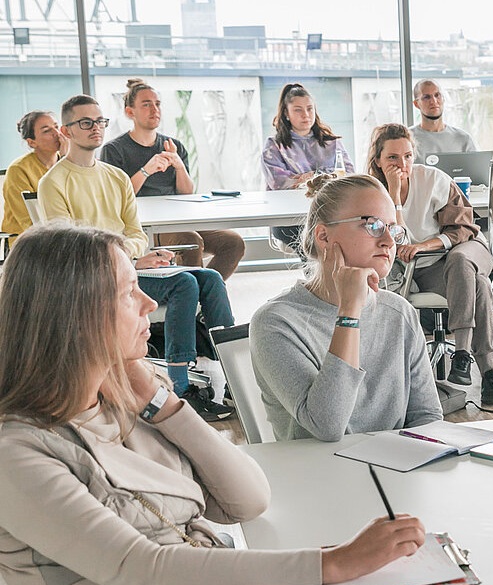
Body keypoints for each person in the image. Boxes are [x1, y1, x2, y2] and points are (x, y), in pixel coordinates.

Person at [0, 224, 429, 585]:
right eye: (129, 292)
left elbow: (248, 500)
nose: (149, 304)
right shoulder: (17, 453)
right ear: (74, 315)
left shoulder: (130, 404)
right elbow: (143, 569)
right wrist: (335, 563)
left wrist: (167, 407)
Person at [37, 94, 235, 421]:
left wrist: (135, 256)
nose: (95, 128)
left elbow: (136, 232)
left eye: (100, 121)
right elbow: (72, 248)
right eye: (85, 123)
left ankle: (232, 374)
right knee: (184, 284)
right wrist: (129, 259)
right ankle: (181, 387)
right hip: (96, 277)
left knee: (211, 279)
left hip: (130, 267)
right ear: (66, 131)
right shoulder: (53, 183)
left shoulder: (115, 178)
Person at [251, 173, 444, 441]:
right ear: (323, 236)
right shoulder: (274, 322)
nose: (389, 242)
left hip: (394, 464)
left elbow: (427, 417)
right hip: (320, 466)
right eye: (372, 225)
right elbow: (326, 426)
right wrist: (349, 312)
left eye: (393, 229)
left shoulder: (399, 312)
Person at [367, 124, 493, 404]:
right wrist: (394, 196)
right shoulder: (371, 194)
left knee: (460, 260)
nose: (402, 164)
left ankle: (462, 352)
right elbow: (396, 241)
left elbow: (464, 228)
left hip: (468, 248)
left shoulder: (432, 179)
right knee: (479, 287)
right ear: (378, 161)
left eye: (408, 156)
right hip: (430, 267)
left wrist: (424, 245)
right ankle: (489, 370)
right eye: (392, 158)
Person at [100, 78, 245, 280]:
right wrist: (146, 170)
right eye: (146, 104)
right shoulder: (114, 150)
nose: (155, 109)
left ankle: (206, 293)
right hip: (145, 224)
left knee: (233, 242)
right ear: (130, 112)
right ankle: (194, 296)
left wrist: (179, 166)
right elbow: (118, 198)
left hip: (179, 218)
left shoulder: (173, 145)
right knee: (191, 241)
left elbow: (187, 192)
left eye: (157, 104)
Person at [262, 83, 354, 252]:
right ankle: (319, 269)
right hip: (288, 217)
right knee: (314, 240)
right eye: (298, 110)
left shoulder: (331, 142)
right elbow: (277, 182)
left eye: (310, 109)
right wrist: (321, 177)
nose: (306, 115)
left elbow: (348, 175)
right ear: (286, 113)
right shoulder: (274, 145)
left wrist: (310, 176)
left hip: (328, 211)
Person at [1, 110, 65, 236]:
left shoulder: (67, 162)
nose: (57, 133)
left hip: (64, 234)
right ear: (32, 142)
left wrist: (66, 159)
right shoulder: (18, 170)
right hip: (28, 240)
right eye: (47, 131)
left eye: (56, 127)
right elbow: (30, 222)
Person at [409, 79, 479, 165]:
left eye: (437, 95)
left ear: (443, 99)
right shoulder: (407, 138)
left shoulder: (463, 138)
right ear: (416, 104)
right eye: (426, 97)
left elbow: (477, 171)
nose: (434, 101)